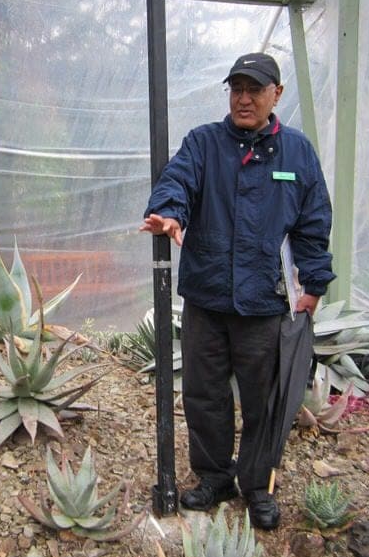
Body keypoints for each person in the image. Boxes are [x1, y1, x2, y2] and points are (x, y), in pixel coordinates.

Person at [140, 52, 335, 530]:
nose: (244, 99)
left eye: (255, 89)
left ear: (277, 95)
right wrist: (170, 213)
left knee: (263, 402)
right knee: (204, 395)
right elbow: (178, 180)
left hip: (265, 304)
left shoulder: (298, 153)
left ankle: (256, 486)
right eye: (237, 89)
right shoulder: (205, 143)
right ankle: (213, 477)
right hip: (208, 298)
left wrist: (313, 283)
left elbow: (313, 223)